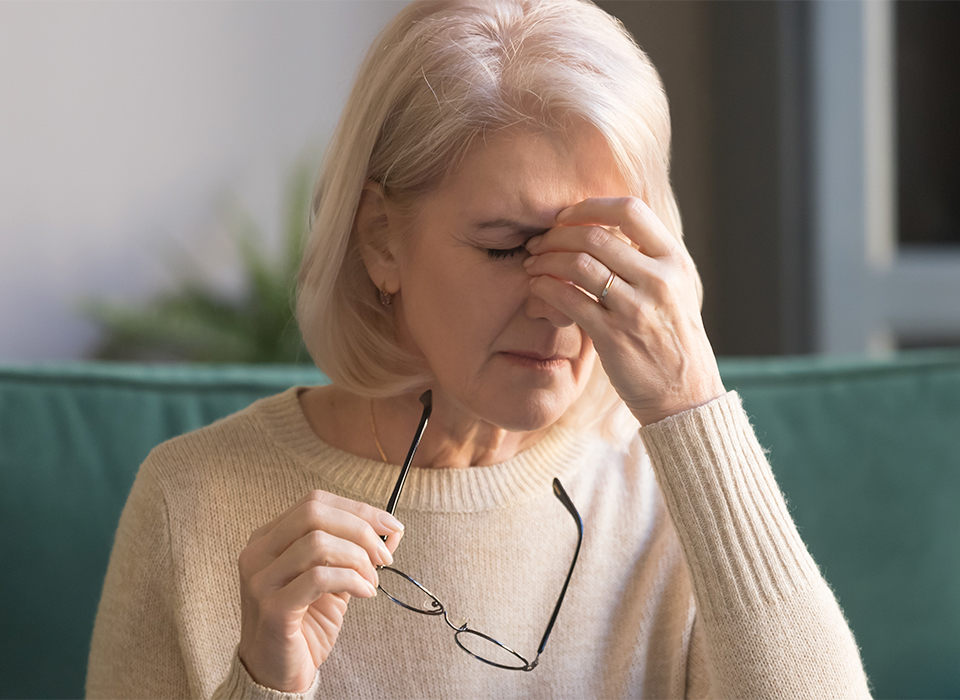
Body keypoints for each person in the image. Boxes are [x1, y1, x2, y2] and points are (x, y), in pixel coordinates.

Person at [87, 0, 872, 698]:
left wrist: (691, 401)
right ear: (379, 240)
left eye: (602, 253)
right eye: (507, 248)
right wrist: (265, 685)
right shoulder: (191, 504)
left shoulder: (676, 494)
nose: (562, 303)